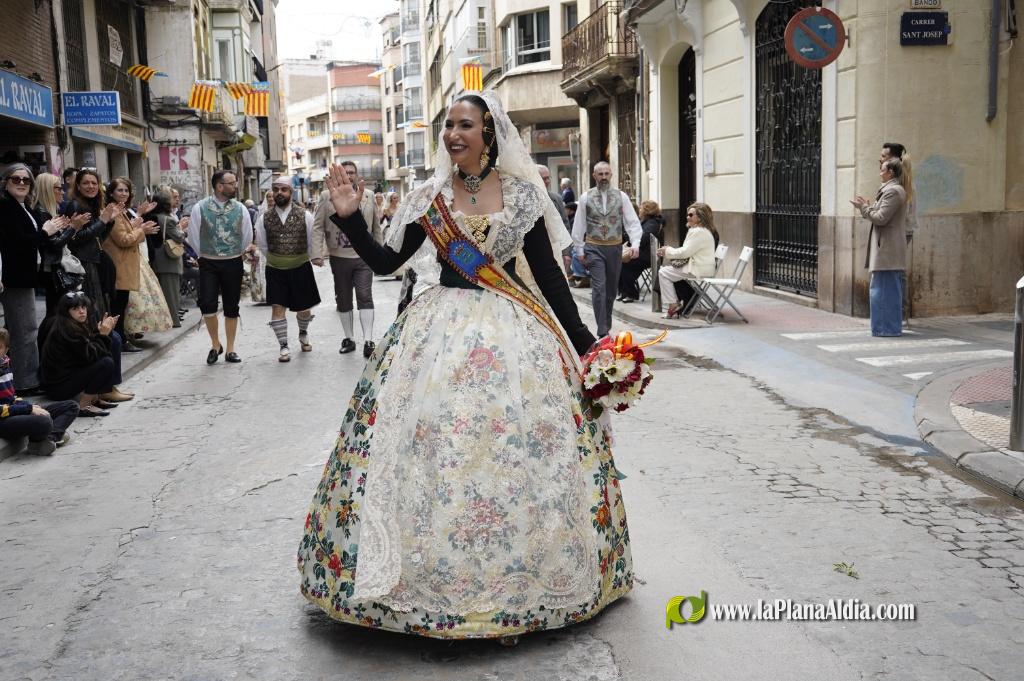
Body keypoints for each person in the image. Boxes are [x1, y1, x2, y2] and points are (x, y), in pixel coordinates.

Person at [298, 91, 633, 643]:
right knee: (429, 444)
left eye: (465, 125)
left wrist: (590, 344)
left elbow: (548, 278)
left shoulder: (523, 196)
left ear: (489, 132)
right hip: (436, 332)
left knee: (519, 449)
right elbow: (387, 262)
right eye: (448, 125)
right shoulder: (429, 197)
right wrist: (351, 219)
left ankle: (525, 582)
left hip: (512, 330)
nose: (454, 134)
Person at [0, 164, 69, 394]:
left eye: (26, 180)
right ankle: (26, 382)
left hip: (23, 276)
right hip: (14, 277)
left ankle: (17, 379)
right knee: (25, 330)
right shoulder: (6, 207)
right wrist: (45, 232)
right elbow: (17, 242)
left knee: (18, 329)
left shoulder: (22, 206)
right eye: (15, 179)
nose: (21, 183)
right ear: (5, 182)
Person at [312, 160, 382, 358]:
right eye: (345, 172)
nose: (349, 175)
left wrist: (380, 255)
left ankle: (368, 340)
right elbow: (317, 226)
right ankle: (349, 338)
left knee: (365, 295)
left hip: (364, 257)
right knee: (343, 298)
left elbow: (376, 227)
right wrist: (316, 253)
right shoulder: (327, 197)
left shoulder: (367, 196)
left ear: (356, 175)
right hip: (338, 255)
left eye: (352, 172)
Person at [187, 170, 253, 364]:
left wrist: (234, 252)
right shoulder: (200, 207)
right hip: (208, 261)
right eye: (232, 183)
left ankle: (231, 349)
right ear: (219, 186)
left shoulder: (240, 208)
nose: (236, 186)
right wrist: (204, 255)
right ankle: (216, 344)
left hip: (233, 261)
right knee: (208, 303)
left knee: (232, 305)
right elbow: (193, 235)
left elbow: (247, 235)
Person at [254, 177, 322, 362]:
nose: (279, 193)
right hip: (275, 269)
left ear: (291, 193)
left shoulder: (305, 215)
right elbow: (262, 244)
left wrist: (303, 258)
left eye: (283, 189)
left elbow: (311, 241)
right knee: (278, 307)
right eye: (276, 189)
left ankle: (303, 332)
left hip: (300, 267)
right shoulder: (264, 218)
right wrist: (278, 259)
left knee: (304, 309)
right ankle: (283, 345)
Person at [571, 161, 642, 338]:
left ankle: (606, 324)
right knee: (599, 288)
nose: (603, 177)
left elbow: (632, 222)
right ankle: (602, 331)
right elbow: (579, 224)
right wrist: (579, 249)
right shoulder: (586, 197)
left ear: (611, 175)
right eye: (600, 174)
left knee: (610, 291)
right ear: (594, 176)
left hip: (615, 249)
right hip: (593, 247)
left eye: (606, 174)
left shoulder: (622, 197)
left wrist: (636, 244)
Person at [39, 292, 132, 416]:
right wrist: (103, 334)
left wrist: (102, 332)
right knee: (106, 363)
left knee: (112, 342)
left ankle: (97, 398)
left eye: (83, 307)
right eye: (75, 308)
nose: (81, 311)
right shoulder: (67, 329)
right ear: (66, 311)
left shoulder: (72, 324)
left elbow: (87, 350)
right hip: (58, 387)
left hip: (64, 378)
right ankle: (84, 406)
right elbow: (91, 356)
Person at [0, 328, 79, 454]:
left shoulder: (5, 366)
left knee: (71, 406)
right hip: (3, 421)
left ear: (6, 350)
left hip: (13, 412)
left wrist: (30, 406)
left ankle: (46, 439)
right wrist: (29, 409)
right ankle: (46, 437)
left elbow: (12, 398)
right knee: (44, 420)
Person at [853, 156, 908, 337]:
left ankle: (887, 329)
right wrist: (867, 207)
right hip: (886, 250)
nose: (880, 172)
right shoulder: (891, 190)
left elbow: (880, 218)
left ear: (890, 172)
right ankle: (886, 328)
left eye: (882, 169)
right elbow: (878, 213)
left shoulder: (893, 191)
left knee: (883, 292)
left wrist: (864, 208)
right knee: (884, 291)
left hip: (887, 251)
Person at [102, 178, 159, 351]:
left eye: (126, 191)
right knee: (117, 306)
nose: (124, 194)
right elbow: (124, 239)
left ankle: (121, 339)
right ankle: (119, 342)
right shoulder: (113, 211)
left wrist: (137, 225)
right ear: (111, 193)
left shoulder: (121, 211)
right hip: (118, 266)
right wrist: (142, 230)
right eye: (120, 190)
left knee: (121, 305)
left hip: (123, 266)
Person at [33, 172, 91, 316]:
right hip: (52, 271)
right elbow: (54, 244)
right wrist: (73, 228)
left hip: (54, 269)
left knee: (58, 311)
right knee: (57, 312)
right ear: (48, 190)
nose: (62, 192)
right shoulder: (41, 212)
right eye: (58, 188)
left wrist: (67, 228)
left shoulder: (48, 212)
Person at [64, 169, 119, 318]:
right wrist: (102, 221)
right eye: (86, 183)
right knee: (90, 309)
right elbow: (75, 238)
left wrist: (109, 223)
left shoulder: (92, 205)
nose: (91, 186)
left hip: (94, 260)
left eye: (94, 183)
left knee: (98, 307)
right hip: (83, 263)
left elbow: (98, 238)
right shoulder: (75, 205)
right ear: (78, 186)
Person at [656, 202, 718, 318]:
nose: (687, 217)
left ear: (699, 218)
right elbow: (687, 250)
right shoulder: (700, 230)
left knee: (663, 272)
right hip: (700, 266)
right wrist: (669, 250)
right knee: (666, 271)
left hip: (699, 268)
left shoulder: (698, 232)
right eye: (687, 214)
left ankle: (673, 304)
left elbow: (685, 252)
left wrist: (668, 251)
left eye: (690, 215)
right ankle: (676, 303)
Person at [879, 142, 917, 324]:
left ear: (893, 159)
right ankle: (899, 314)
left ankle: (900, 315)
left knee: (897, 272)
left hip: (901, 230)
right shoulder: (900, 179)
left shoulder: (900, 181)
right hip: (901, 229)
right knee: (896, 272)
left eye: (884, 156)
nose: (881, 159)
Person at [144, 186, 188, 328]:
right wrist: (182, 228)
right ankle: (174, 321)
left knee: (163, 293)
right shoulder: (168, 219)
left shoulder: (154, 216)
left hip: (157, 258)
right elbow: (179, 237)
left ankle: (165, 321)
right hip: (168, 260)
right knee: (171, 294)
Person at [618, 200, 665, 303]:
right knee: (619, 263)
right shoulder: (646, 221)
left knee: (624, 265)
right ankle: (625, 292)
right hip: (643, 253)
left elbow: (643, 239)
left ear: (647, 210)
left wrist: (632, 244)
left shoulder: (652, 223)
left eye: (641, 208)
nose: (639, 210)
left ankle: (631, 293)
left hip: (649, 256)